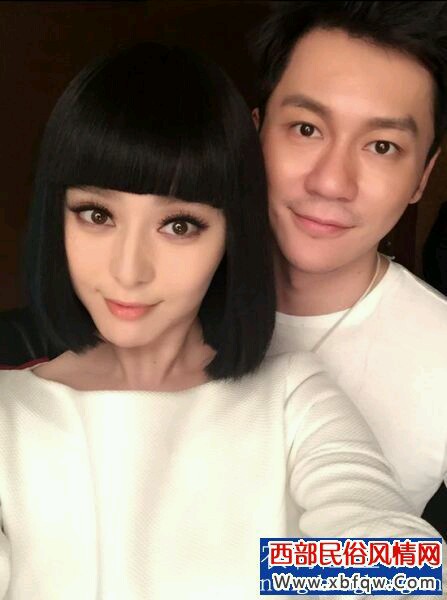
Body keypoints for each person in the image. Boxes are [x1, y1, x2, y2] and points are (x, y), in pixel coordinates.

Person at [0, 42, 444, 600]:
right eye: (97, 214)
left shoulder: (294, 395)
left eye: (179, 225)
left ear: (230, 233)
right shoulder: (11, 412)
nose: (129, 270)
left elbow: (403, 563)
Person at [251, 1, 447, 521]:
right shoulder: (151, 297)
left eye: (381, 146)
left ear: (423, 177)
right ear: (255, 134)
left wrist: (276, 564)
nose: (332, 182)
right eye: (306, 129)